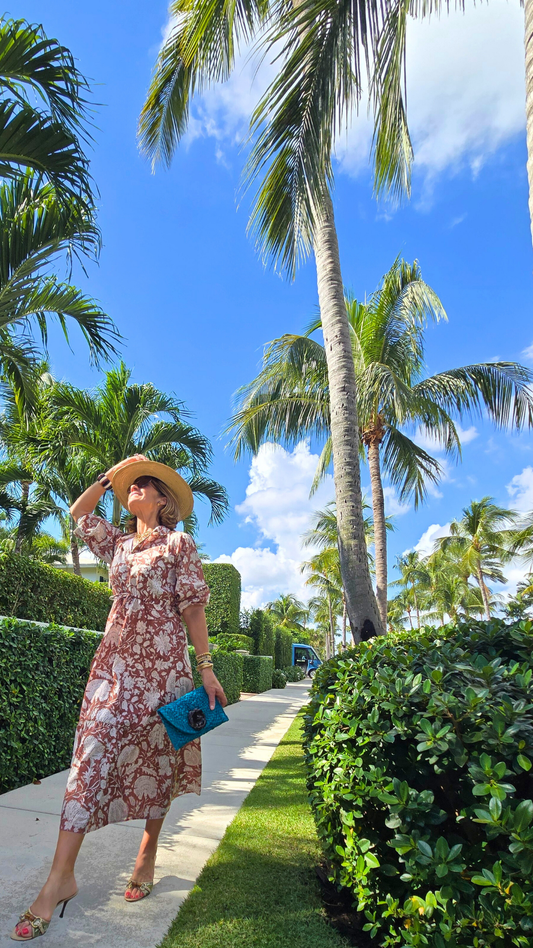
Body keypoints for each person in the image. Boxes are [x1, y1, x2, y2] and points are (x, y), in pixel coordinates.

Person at [11, 455, 227, 941]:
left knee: (159, 758)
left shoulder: (179, 544)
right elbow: (79, 512)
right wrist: (110, 477)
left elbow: (193, 609)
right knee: (89, 755)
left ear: (163, 500)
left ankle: (147, 852)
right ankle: (60, 878)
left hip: (164, 664)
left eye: (143, 484)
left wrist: (207, 668)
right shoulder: (119, 544)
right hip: (113, 665)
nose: (135, 489)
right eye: (132, 485)